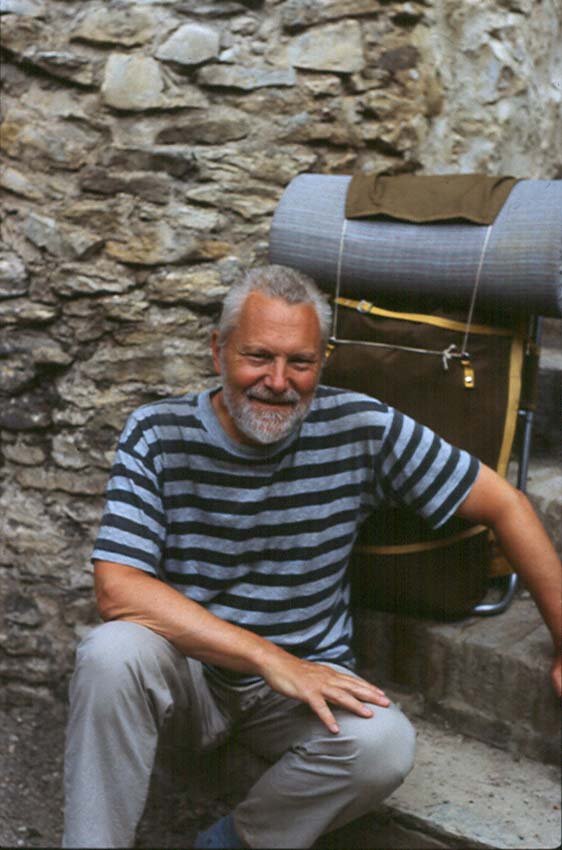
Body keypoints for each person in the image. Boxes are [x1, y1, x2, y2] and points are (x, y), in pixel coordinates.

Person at [63, 264, 561, 849]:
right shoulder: (157, 432)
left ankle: (232, 843)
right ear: (218, 350)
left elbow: (506, 504)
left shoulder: (360, 426)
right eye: (257, 356)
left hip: (300, 690)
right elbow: (118, 588)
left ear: (323, 360)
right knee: (112, 653)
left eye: (299, 362)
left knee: (384, 745)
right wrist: (268, 656)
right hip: (191, 674)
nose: (278, 381)